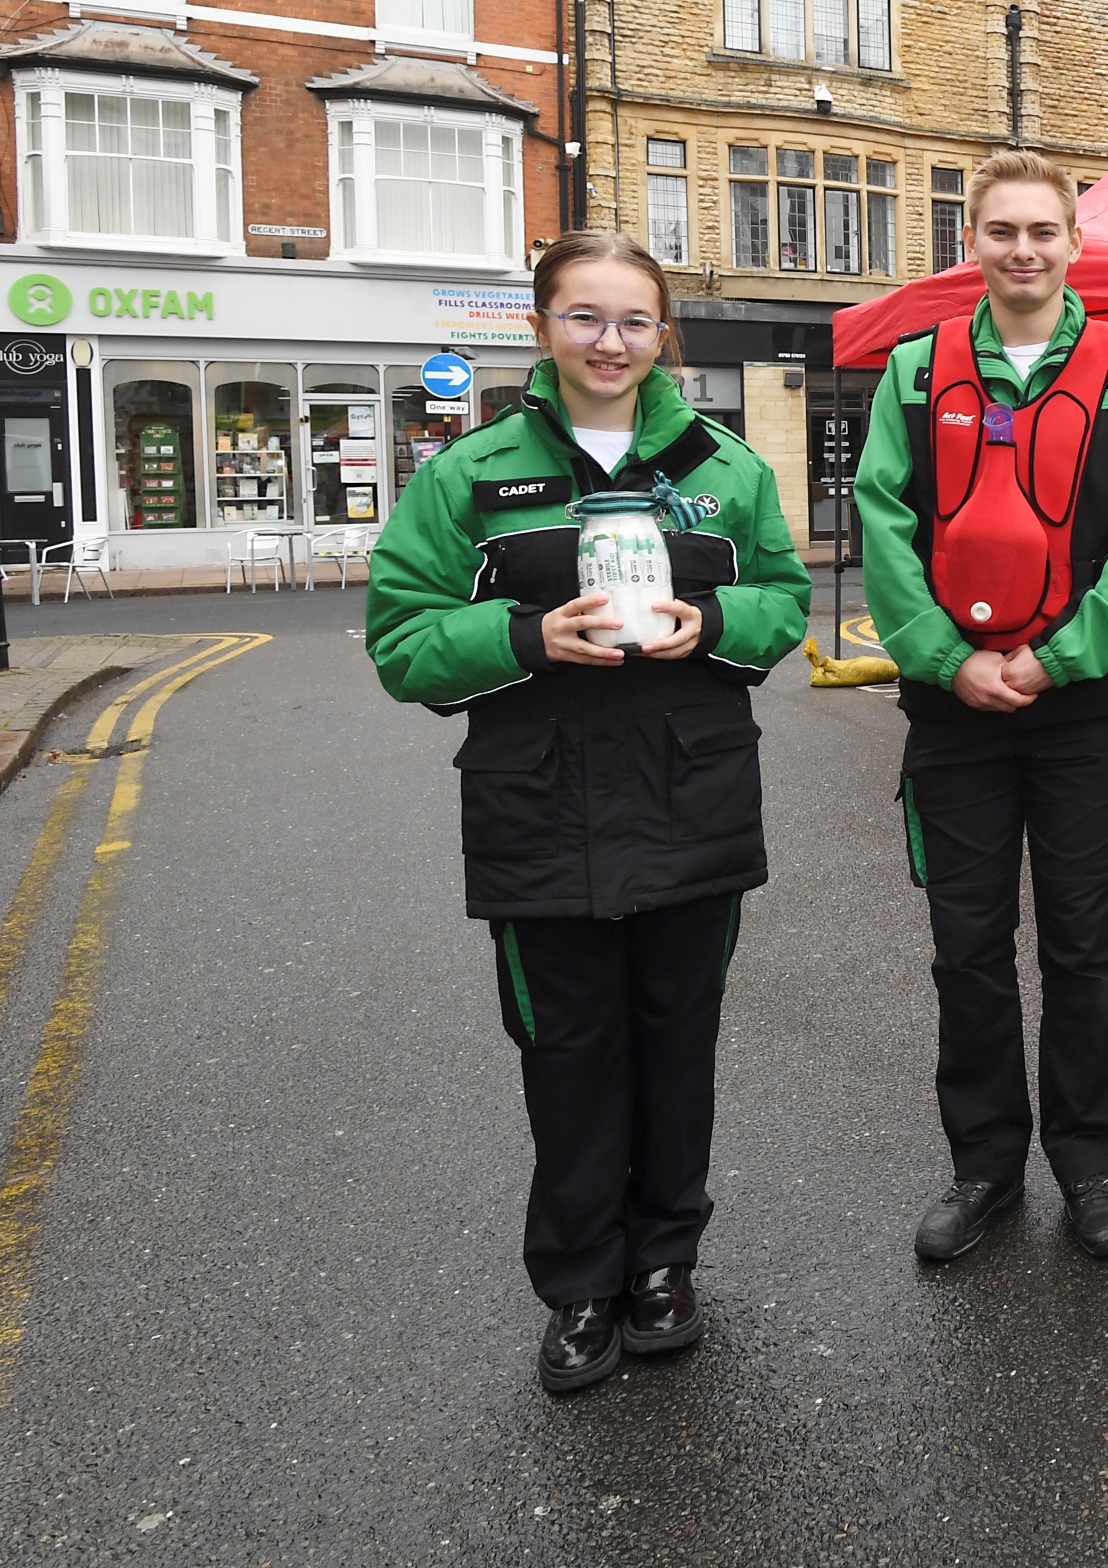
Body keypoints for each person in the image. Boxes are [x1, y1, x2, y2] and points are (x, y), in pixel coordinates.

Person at [367, 233, 811, 1395]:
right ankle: (578, 1282)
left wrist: (711, 624)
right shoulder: (466, 477)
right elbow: (402, 641)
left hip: (692, 800)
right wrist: (526, 635)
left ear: (663, 333)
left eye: (631, 320)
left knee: (677, 1045)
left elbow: (782, 600)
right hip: (537, 810)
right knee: (566, 1055)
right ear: (540, 327)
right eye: (584, 317)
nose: (609, 342)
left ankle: (665, 1260)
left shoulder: (726, 466)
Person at [852, 151, 1108, 1266]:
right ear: (973, 240)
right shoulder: (915, 370)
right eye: (1002, 230)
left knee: (1088, 945)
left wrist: (1061, 656)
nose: (1024, 249)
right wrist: (948, 659)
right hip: (954, 712)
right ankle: (985, 1163)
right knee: (969, 945)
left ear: (1073, 243)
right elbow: (884, 519)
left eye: (1043, 230)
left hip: (1082, 708)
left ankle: (1088, 1160)